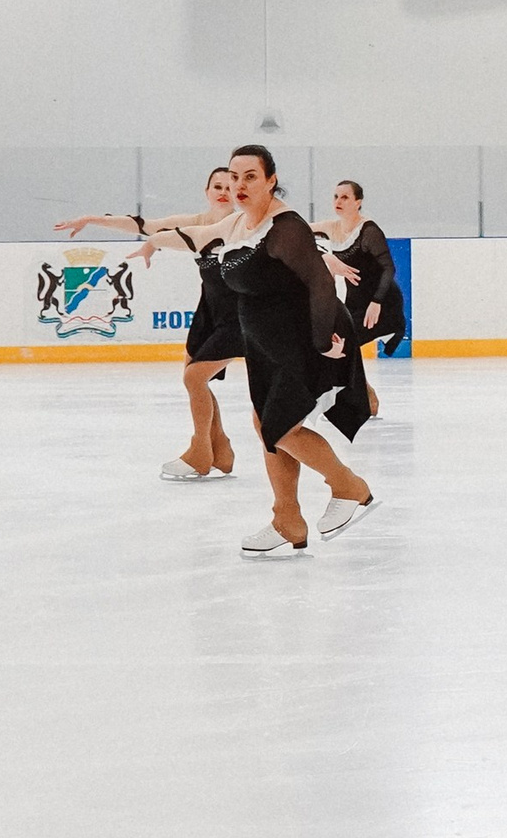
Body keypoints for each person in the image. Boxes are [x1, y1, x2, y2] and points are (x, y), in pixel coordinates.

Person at [151, 145, 374, 557]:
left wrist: (325, 341)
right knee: (265, 426)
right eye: (234, 177)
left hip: (304, 339)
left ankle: (348, 487)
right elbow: (197, 236)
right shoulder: (239, 224)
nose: (239, 185)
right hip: (266, 345)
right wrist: (151, 242)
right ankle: (286, 518)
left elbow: (319, 283)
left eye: (250, 176)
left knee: (280, 428)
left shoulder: (285, 226)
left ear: (271, 180)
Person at [55, 167, 244, 478]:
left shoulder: (242, 225)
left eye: (230, 185)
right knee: (195, 378)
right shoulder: (195, 223)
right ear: (207, 191)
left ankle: (200, 451)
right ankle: (220, 448)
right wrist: (92, 219)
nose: (223, 191)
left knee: (195, 378)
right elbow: (144, 226)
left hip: (239, 315)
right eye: (217, 185)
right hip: (209, 311)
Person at [313, 180, 406, 420]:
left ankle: (354, 398)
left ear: (358, 202)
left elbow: (388, 269)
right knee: (337, 343)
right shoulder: (332, 228)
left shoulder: (369, 231)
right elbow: (299, 230)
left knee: (343, 344)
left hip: (382, 304)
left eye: (344, 197)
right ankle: (364, 393)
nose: (338, 202)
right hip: (355, 303)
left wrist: (376, 302)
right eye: (335, 197)